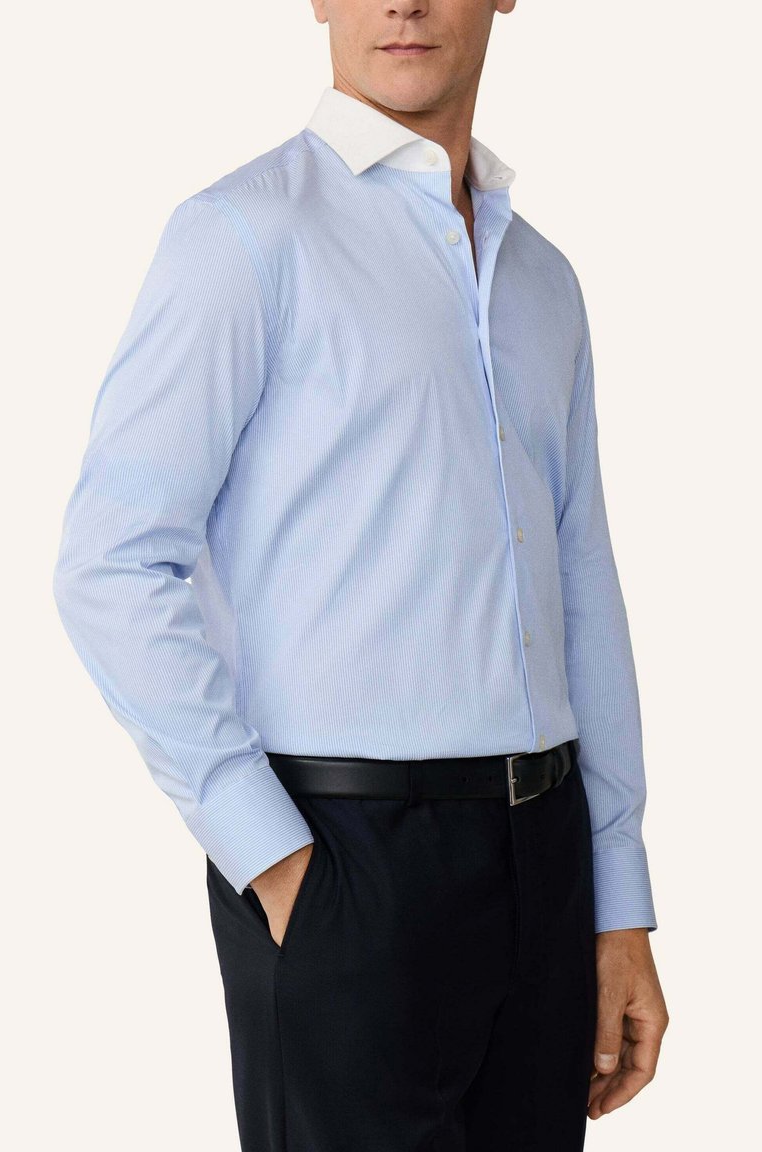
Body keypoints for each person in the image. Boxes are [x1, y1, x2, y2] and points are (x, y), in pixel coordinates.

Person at [52, 1, 669, 1148]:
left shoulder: (542, 279)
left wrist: (614, 898)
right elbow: (111, 562)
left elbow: (581, 580)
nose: (402, 3)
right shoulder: (243, 237)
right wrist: (274, 860)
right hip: (343, 858)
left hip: (545, 857)